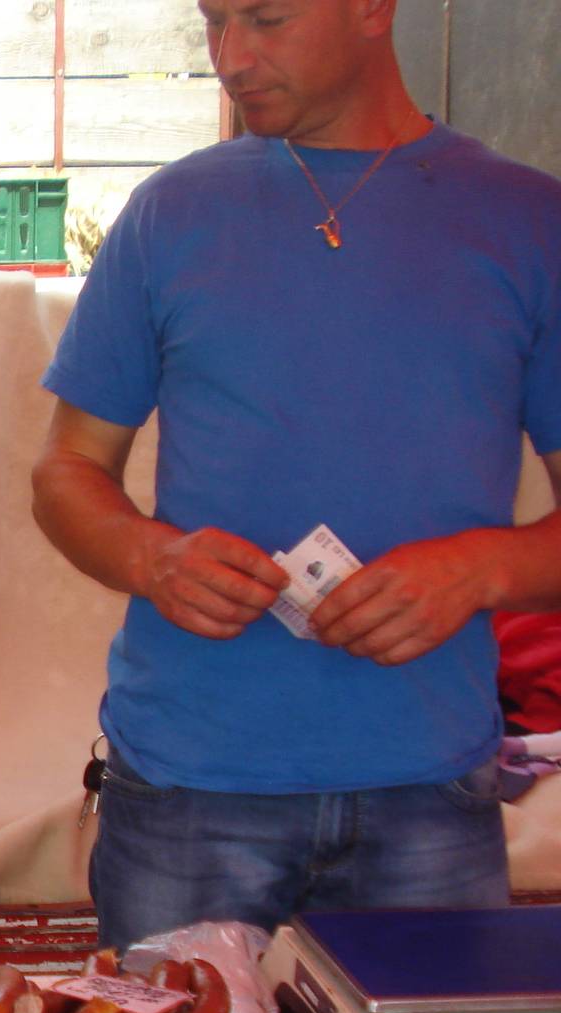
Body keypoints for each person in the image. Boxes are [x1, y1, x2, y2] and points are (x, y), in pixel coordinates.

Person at [32, 0, 561, 953]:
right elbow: (67, 470)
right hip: (188, 781)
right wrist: (153, 559)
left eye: (266, 20)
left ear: (371, 8)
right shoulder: (172, 213)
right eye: (213, 21)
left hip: (430, 789)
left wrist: (477, 569)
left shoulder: (528, 221)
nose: (230, 58)